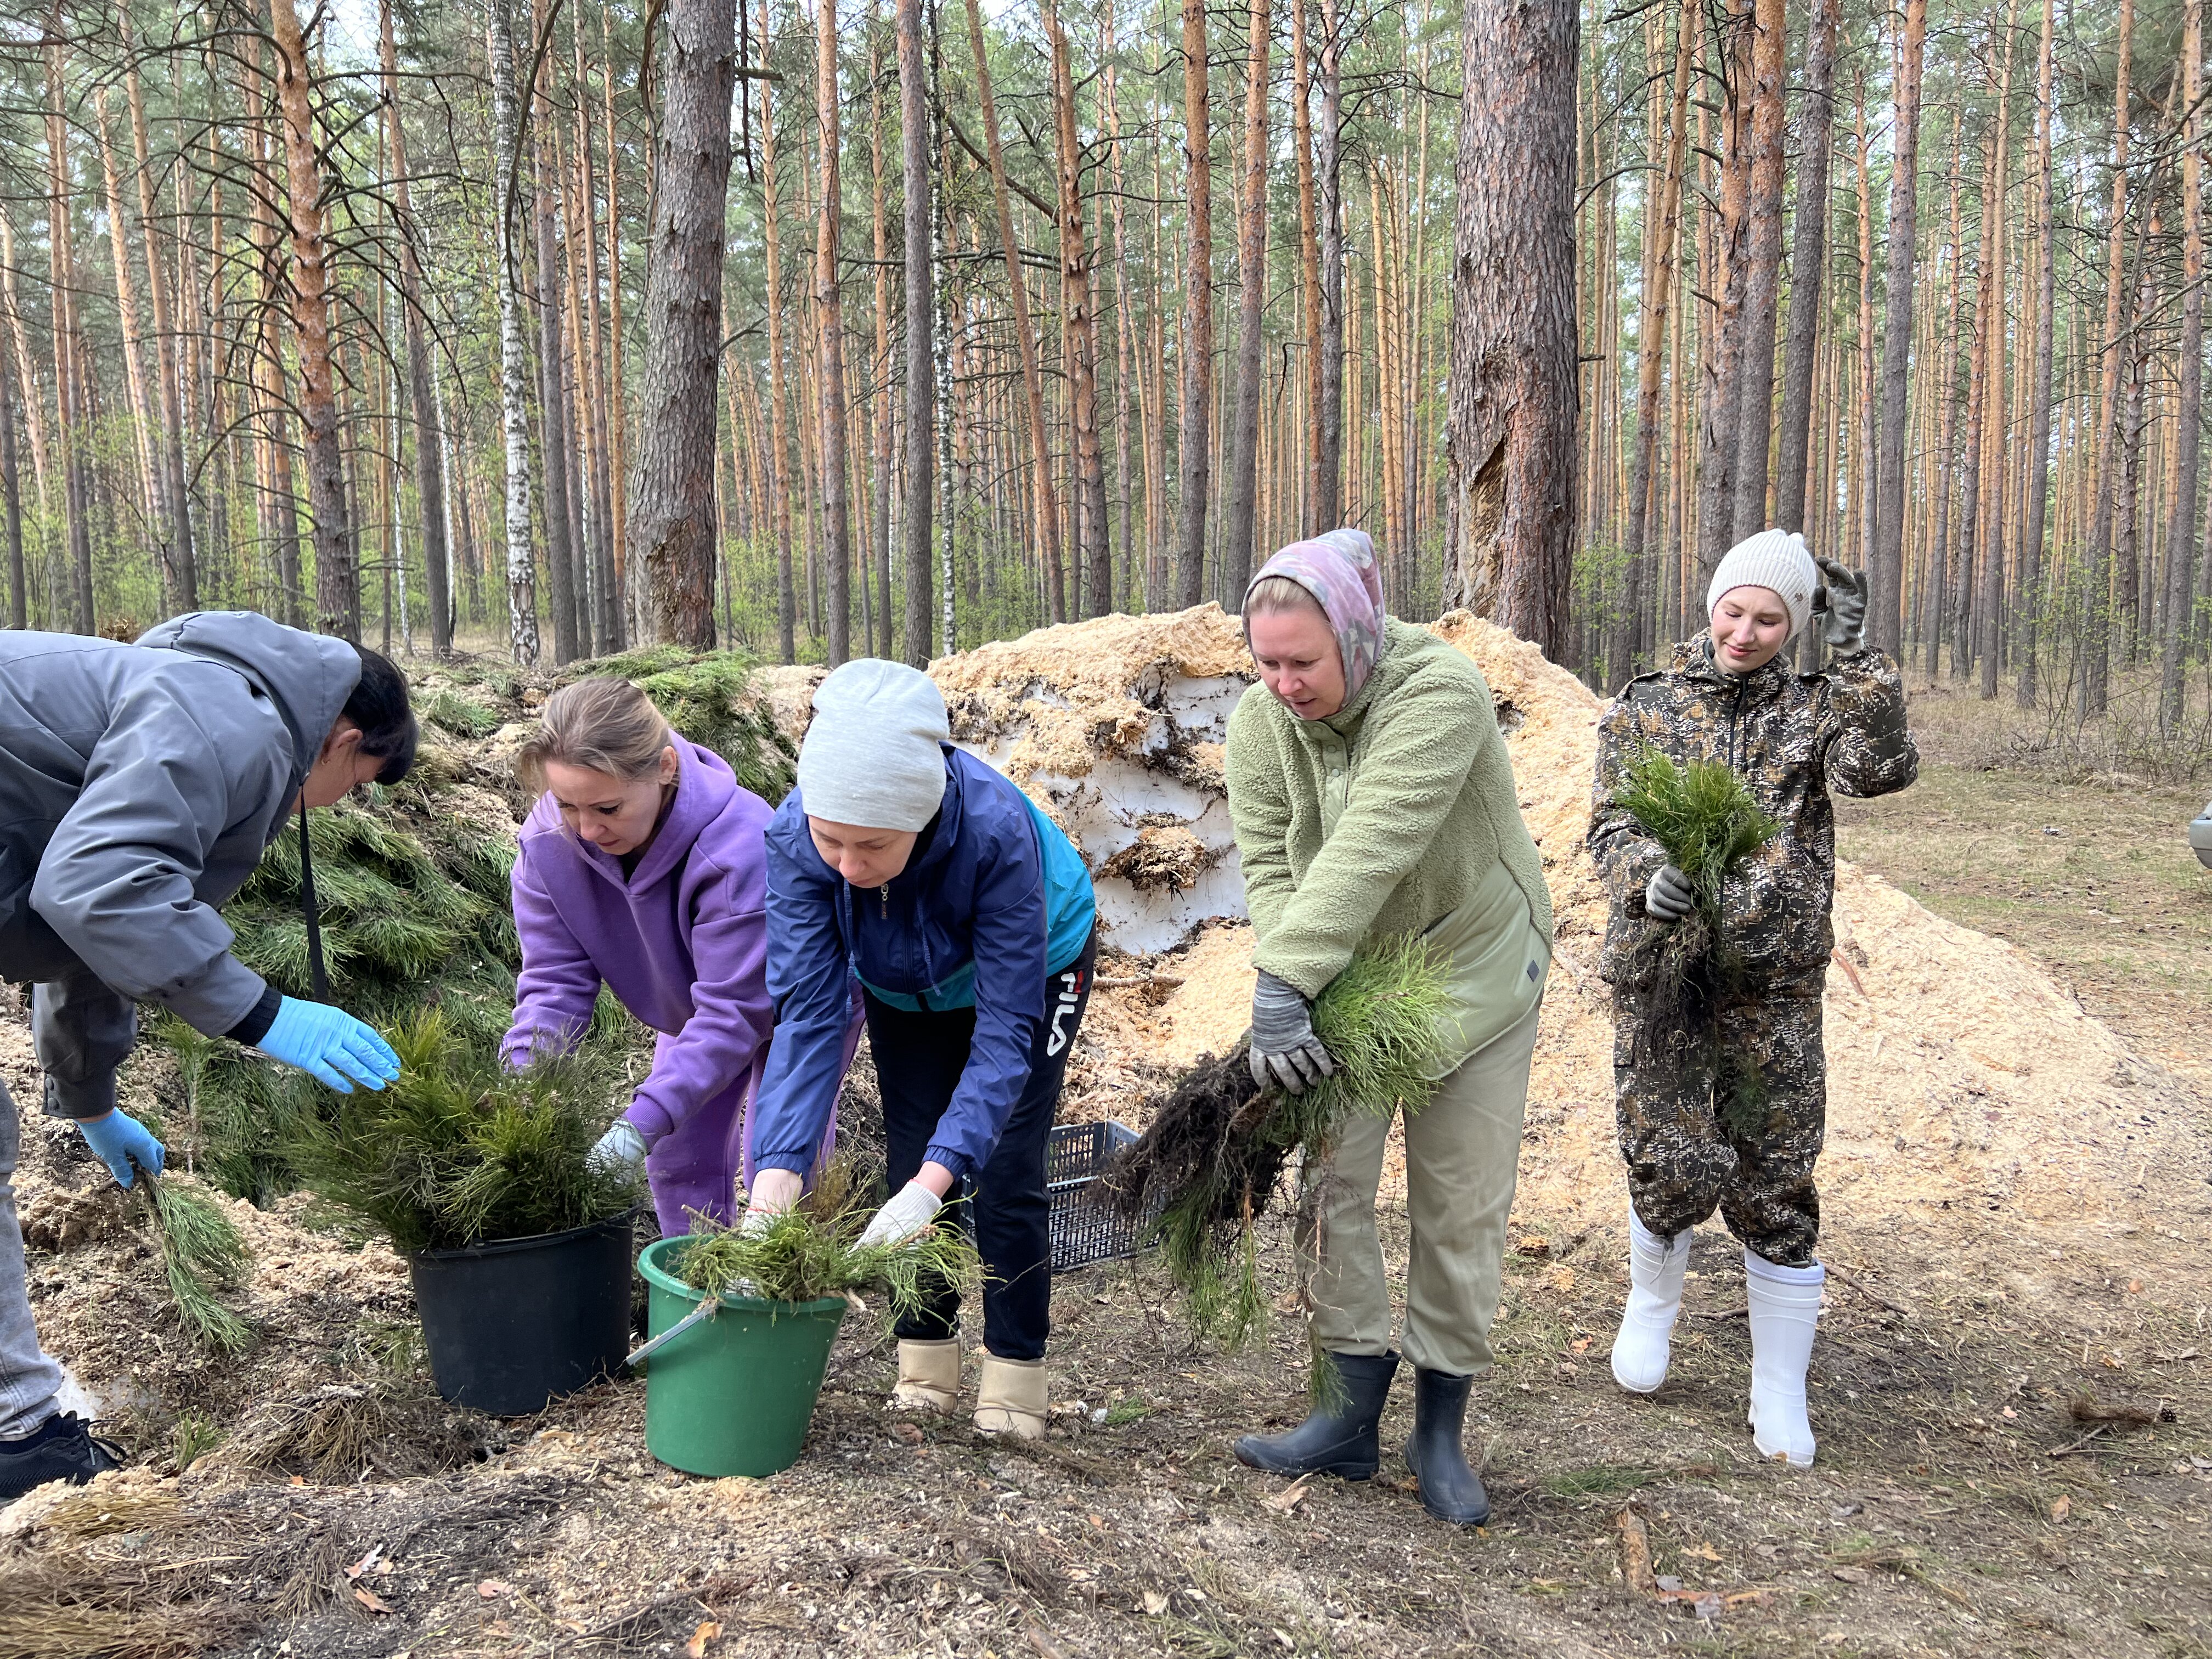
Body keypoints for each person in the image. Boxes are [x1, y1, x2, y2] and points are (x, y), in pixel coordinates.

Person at [0, 612, 416, 1500]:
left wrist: (90, 1098)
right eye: (361, 782)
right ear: (346, 739)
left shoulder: (204, 703)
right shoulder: (233, 726)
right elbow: (101, 889)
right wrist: (263, 1014)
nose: (344, 802)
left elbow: (95, 924)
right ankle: (20, 1439)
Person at [1223, 529, 1554, 1527]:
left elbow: (1372, 842)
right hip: (1353, 968)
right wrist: (1293, 979)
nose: (1283, 683)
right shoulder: (1256, 724)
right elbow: (1277, 870)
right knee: (1334, 1185)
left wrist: (1284, 976)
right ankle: (1344, 1415)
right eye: (1266, 660)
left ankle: (1438, 1428)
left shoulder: (1438, 692)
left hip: (1474, 966)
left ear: (1357, 635)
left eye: (1302, 661)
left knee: (1459, 1200)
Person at [1589, 528, 1917, 1469]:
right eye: (1733, 609)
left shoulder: (1814, 711)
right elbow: (1608, 819)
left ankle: (1778, 1385)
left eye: (1769, 617)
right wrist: (1646, 874)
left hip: (1771, 985)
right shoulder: (1647, 704)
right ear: (1711, 602)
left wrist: (1859, 661)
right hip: (1662, 974)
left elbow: (1877, 772)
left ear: (1796, 624)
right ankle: (1650, 1306)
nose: (1744, 630)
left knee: (1775, 1176)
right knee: (1665, 1155)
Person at [746, 660, 1097, 1441]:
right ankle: (926, 1357)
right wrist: (774, 1183)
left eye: (871, 846)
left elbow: (1007, 1036)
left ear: (922, 814)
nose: (847, 865)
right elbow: (806, 1016)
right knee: (911, 1158)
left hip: (1037, 970)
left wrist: (935, 1185)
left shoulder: (996, 836)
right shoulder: (796, 837)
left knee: (1001, 1167)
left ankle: (1015, 1369)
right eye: (830, 840)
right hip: (905, 983)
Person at [503, 676, 791, 1234]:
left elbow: (734, 1013)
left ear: (664, 768)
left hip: (799, 1005)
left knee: (777, 1163)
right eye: (566, 804)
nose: (587, 829)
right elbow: (553, 986)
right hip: (697, 1005)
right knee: (677, 1158)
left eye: (608, 807)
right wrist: (520, 1098)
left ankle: (777, 1309)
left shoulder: (738, 846)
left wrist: (637, 1124)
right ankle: (700, 1302)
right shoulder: (548, 847)